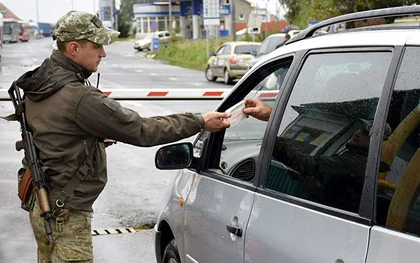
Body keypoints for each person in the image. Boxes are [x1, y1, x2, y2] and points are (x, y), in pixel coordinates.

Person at [13, 11, 230, 263]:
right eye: (97, 46)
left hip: (40, 203)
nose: (103, 53)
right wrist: (200, 121)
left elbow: (52, 133)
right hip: (66, 215)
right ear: (73, 48)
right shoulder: (79, 97)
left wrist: (89, 140)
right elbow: (143, 129)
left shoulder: (40, 82)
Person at [243, 98, 391, 213]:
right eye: (360, 128)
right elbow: (333, 182)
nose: (358, 133)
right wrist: (303, 177)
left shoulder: (357, 162)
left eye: (366, 132)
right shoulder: (354, 157)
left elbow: (312, 165)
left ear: (377, 142)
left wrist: (274, 134)